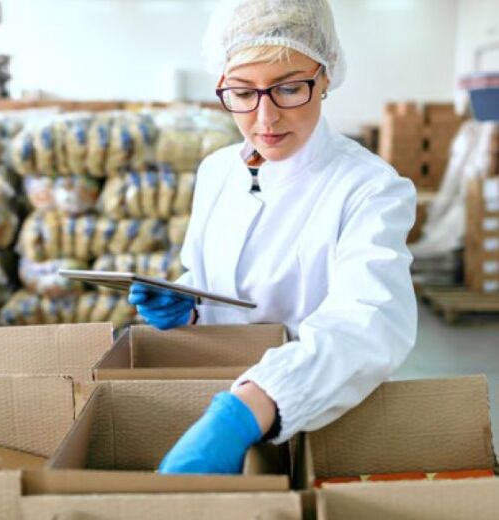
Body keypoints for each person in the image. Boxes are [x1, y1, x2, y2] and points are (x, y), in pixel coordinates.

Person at [128, 0, 417, 474]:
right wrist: (188, 302)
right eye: (242, 93)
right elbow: (213, 275)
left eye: (287, 89)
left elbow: (369, 323)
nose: (265, 119)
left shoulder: (370, 188)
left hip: (316, 416)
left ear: (324, 78)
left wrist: (243, 412)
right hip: (215, 391)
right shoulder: (217, 171)